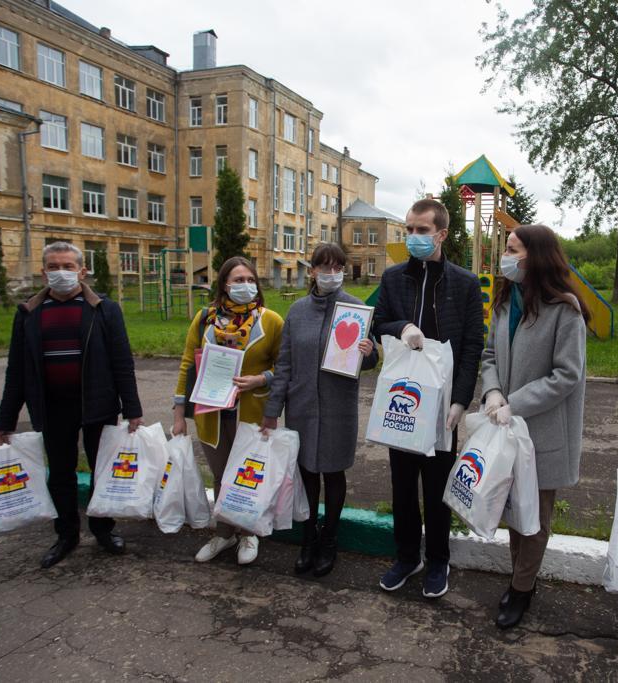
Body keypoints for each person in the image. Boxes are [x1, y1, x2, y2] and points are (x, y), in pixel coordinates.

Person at [0, 241, 143, 568]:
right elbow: (16, 370)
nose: (61, 273)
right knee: (60, 474)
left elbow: (122, 362)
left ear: (82, 271)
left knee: (103, 472)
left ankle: (104, 530)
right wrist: (5, 418)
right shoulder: (29, 313)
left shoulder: (104, 309)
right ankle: (66, 535)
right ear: (43, 271)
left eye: (68, 266)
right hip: (51, 407)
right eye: (54, 267)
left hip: (97, 405)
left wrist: (132, 410)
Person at [373, 197, 484, 598]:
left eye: (422, 230)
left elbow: (473, 345)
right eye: (409, 229)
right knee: (402, 485)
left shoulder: (464, 284)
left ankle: (438, 560)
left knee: (437, 487)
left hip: (442, 405)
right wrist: (402, 326)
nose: (414, 237)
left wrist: (461, 400)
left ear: (441, 234)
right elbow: (378, 321)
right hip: (404, 395)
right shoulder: (393, 278)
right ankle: (407, 557)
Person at [481, 224, 588, 628]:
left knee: (536, 514)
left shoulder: (565, 309)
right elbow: (490, 354)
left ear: (536, 255)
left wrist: (515, 404)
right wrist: (492, 392)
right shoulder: (506, 300)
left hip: (541, 432)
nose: (504, 257)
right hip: (505, 425)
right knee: (514, 508)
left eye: (512, 249)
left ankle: (522, 589)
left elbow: (567, 375)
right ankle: (520, 578)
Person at [262, 243, 378, 577]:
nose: (330, 274)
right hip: (302, 406)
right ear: (311, 271)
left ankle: (330, 538)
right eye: (323, 268)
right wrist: (273, 409)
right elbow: (284, 364)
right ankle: (308, 537)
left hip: (338, 406)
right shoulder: (297, 312)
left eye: (337, 268)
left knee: (334, 472)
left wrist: (368, 352)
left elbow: (368, 361)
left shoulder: (356, 310)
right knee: (307, 473)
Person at [172, 256, 283, 566]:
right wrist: (179, 413)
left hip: (252, 411)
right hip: (212, 413)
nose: (245, 286)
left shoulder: (270, 320)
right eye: (237, 280)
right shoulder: (205, 319)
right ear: (223, 284)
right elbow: (185, 365)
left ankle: (248, 533)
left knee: (248, 476)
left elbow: (285, 366)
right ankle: (224, 533)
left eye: (250, 280)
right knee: (221, 475)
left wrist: (262, 378)